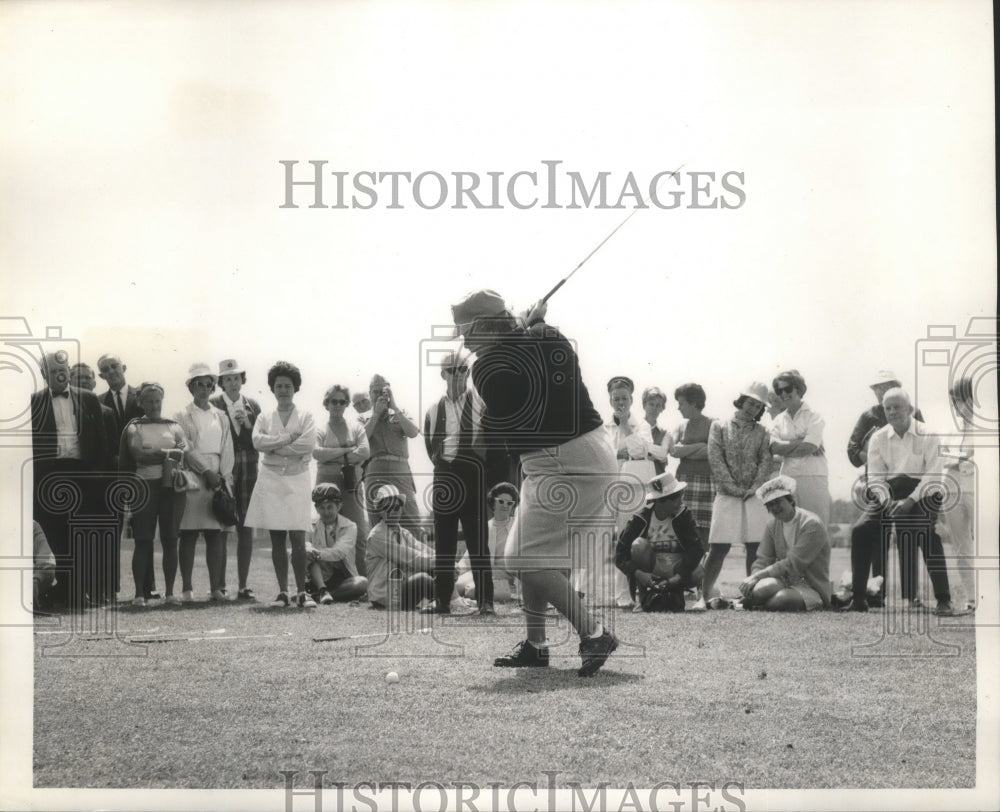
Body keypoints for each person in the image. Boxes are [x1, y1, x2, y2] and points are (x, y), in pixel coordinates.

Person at [452, 289, 619, 677]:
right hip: (573, 455)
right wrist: (533, 325)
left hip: (565, 460)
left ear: (484, 326)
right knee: (526, 550)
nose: (463, 340)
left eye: (466, 330)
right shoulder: (550, 336)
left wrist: (522, 330)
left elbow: (503, 407)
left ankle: (594, 632)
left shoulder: (486, 366)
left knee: (524, 557)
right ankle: (536, 645)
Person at [847, 388, 953, 615]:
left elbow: (934, 474)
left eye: (898, 407)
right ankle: (858, 599)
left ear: (910, 409)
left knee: (925, 531)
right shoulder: (878, 437)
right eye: (888, 408)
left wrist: (910, 501)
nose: (892, 412)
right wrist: (887, 502)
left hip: (924, 490)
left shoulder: (929, 434)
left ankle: (944, 600)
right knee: (861, 530)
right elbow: (875, 478)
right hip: (889, 492)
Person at [31, 351, 112, 611]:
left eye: (62, 369)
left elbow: (102, 442)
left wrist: (100, 475)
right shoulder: (33, 402)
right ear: (44, 375)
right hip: (49, 475)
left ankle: (79, 592)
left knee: (82, 533)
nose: (60, 374)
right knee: (55, 535)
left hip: (83, 473)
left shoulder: (87, 399)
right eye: (53, 371)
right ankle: (62, 590)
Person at [422, 350, 494, 615]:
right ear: (443, 374)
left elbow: (492, 442)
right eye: (452, 370)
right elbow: (431, 448)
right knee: (444, 542)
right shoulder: (433, 408)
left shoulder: (481, 403)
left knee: (478, 542)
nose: (459, 375)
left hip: (473, 474)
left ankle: (486, 602)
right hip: (445, 477)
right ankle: (443, 601)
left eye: (463, 370)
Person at [845, 369, 924, 606]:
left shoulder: (914, 412)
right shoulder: (868, 416)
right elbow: (851, 451)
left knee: (907, 537)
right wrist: (875, 455)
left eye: (885, 386)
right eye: (877, 388)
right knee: (875, 537)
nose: (880, 392)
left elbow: (922, 445)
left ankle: (910, 597)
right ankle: (876, 594)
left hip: (909, 485)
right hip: (879, 483)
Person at [244, 361, 318, 609]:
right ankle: (283, 593)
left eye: (287, 386)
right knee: (277, 538)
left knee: (298, 537)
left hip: (298, 479)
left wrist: (274, 446)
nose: (283, 390)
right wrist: (287, 438)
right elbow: (256, 441)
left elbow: (307, 445)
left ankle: (301, 593)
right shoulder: (264, 416)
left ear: (295, 388)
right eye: (278, 386)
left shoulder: (306, 416)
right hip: (271, 479)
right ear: (273, 389)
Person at [700, 383, 774, 609]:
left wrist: (754, 488)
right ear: (741, 400)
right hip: (726, 493)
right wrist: (732, 487)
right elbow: (715, 458)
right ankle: (703, 596)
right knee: (719, 547)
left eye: (758, 405)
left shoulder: (763, 432)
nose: (753, 408)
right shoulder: (719, 426)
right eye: (750, 402)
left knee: (754, 546)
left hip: (753, 495)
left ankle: (751, 597)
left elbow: (765, 461)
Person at [118, 382, 188, 606]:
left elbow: (184, 449)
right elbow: (138, 454)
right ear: (141, 403)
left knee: (170, 539)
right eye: (149, 401)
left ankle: (169, 593)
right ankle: (139, 594)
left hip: (170, 488)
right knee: (143, 540)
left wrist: (159, 453)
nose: (154, 405)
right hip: (144, 487)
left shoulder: (173, 425)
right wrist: (168, 454)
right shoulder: (135, 427)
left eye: (158, 400)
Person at [174, 363, 235, 602]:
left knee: (215, 534)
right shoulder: (180, 415)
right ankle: (187, 589)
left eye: (208, 384)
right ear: (190, 386)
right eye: (199, 383)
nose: (204, 388)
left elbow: (227, 447)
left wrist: (223, 477)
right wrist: (205, 471)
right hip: (192, 476)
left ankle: (216, 589)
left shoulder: (221, 416)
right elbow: (184, 446)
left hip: (217, 478)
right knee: (188, 534)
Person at [209, 358, 262, 600]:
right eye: (227, 379)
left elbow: (260, 440)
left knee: (246, 526)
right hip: (226, 466)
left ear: (242, 380)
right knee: (223, 524)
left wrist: (248, 425)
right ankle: (219, 586)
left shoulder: (253, 405)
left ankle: (243, 585)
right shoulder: (213, 404)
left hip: (249, 467)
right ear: (221, 382)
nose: (232, 382)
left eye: (236, 378)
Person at [614, 473, 705, 613]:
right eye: (675, 497)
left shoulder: (684, 516)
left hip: (677, 571)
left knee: (698, 571)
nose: (680, 501)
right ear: (660, 501)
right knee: (638, 545)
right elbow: (620, 555)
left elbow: (697, 550)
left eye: (680, 495)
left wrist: (677, 578)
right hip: (649, 572)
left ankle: (676, 594)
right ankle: (644, 596)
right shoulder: (639, 519)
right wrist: (638, 573)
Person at [739, 476, 831, 611]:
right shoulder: (772, 525)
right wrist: (754, 580)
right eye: (770, 504)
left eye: (778, 502)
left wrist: (757, 576)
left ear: (790, 500)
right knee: (759, 590)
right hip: (783, 580)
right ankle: (752, 601)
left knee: (780, 602)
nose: (774, 507)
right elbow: (763, 559)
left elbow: (793, 563)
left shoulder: (812, 524)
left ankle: (752, 603)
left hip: (810, 584)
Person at [604, 376, 656, 608]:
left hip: (630, 488)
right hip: (605, 485)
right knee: (596, 536)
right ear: (610, 399)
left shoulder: (641, 425)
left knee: (626, 539)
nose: (620, 402)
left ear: (632, 399)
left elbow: (639, 451)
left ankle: (624, 595)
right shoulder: (602, 425)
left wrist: (625, 425)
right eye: (616, 398)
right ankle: (581, 591)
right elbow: (605, 453)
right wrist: (619, 453)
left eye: (624, 398)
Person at [71, 361, 120, 603]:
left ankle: (104, 590)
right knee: (77, 538)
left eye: (86, 377)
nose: (82, 381)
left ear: (94, 381)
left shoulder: (107, 412)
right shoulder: (64, 412)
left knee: (102, 538)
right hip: (73, 484)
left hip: (101, 485)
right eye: (76, 377)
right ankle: (80, 590)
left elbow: (111, 451)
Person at [313, 384, 371, 576]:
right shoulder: (320, 429)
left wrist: (333, 456)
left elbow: (364, 451)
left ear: (347, 404)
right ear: (326, 403)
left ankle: (362, 581)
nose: (337, 405)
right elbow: (316, 453)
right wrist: (347, 451)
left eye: (341, 401)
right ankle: (324, 581)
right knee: (326, 533)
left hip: (350, 483)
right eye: (333, 401)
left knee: (359, 533)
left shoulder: (356, 427)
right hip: (326, 482)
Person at [768, 370, 831, 525]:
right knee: (789, 526)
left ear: (799, 389)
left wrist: (793, 446)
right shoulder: (778, 420)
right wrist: (801, 441)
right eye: (779, 390)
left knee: (816, 525)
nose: (783, 394)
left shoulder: (814, 416)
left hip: (813, 477)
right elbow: (774, 447)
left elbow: (809, 447)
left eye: (788, 389)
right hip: (787, 478)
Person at [363, 374, 422, 533]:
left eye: (383, 392)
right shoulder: (363, 419)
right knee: (376, 520)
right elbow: (360, 440)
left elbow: (413, 432)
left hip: (400, 468)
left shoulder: (400, 413)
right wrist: (375, 415)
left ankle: (419, 555)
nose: (379, 396)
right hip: (375, 469)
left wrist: (394, 408)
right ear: (369, 394)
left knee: (410, 516)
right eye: (375, 392)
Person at [364, 484, 434, 610]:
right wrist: (443, 563)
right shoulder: (377, 536)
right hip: (385, 596)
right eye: (387, 507)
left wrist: (444, 560)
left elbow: (424, 549)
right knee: (423, 577)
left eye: (396, 507)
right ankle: (448, 599)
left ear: (401, 509)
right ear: (380, 510)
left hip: (400, 590)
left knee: (432, 568)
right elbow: (412, 557)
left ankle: (447, 598)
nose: (392, 511)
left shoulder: (404, 533)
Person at [941, 377, 977, 613]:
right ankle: (974, 598)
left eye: (962, 399)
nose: (957, 405)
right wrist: (959, 459)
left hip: (977, 489)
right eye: (954, 399)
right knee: (961, 547)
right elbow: (942, 458)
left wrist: (959, 460)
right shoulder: (950, 431)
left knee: (987, 544)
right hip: (952, 491)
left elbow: (973, 460)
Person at [456, 481, 520, 604]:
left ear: (513, 506)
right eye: (501, 501)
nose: (505, 506)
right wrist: (456, 570)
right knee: (456, 584)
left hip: (507, 575)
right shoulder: (485, 527)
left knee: (472, 590)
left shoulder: (518, 526)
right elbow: (468, 558)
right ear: (493, 503)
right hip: (484, 572)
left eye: (510, 503)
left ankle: (473, 595)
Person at [670, 383, 715, 552]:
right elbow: (674, 451)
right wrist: (700, 445)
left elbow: (712, 451)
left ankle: (701, 575)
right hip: (684, 483)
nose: (678, 408)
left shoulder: (713, 424)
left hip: (707, 482)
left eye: (681, 403)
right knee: (683, 527)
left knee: (705, 532)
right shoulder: (680, 428)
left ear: (693, 403)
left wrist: (687, 450)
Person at [304, 483, 369, 603]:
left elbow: (340, 551)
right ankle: (322, 590)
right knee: (307, 552)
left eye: (330, 507)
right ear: (316, 508)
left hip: (342, 578)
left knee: (362, 583)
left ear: (338, 507)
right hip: (318, 577)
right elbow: (305, 543)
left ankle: (320, 596)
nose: (326, 512)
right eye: (322, 508)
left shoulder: (350, 526)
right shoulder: (310, 525)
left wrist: (317, 553)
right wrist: (308, 548)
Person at [641, 386, 673, 476]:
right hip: (637, 478)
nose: (654, 409)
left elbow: (662, 456)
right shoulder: (634, 429)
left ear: (662, 408)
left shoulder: (665, 434)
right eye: (651, 404)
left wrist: (642, 447)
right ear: (644, 405)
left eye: (658, 405)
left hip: (658, 479)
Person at [32, 520, 58, 614]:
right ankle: (39, 603)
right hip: (48, 565)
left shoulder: (29, 524)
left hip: (44, 566)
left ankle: (36, 606)